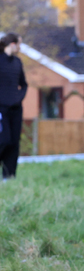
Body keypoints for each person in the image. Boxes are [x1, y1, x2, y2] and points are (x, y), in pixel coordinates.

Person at [0, 33, 27, 181]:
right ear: (12, 44)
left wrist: (19, 97)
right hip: (1, 109)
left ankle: (9, 176)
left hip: (16, 109)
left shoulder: (17, 62)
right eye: (19, 44)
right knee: (4, 140)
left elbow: (23, 84)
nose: (20, 48)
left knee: (14, 142)